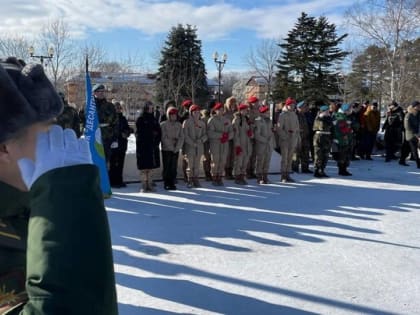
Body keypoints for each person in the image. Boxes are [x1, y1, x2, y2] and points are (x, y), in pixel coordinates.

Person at [0, 57, 117, 314]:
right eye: (46, 135)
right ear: (4, 148)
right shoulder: (53, 201)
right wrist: (67, 202)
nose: (60, 142)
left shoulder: (34, 204)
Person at [136, 101, 161, 193]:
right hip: (142, 146)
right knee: (143, 167)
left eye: (152, 108)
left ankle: (150, 184)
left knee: (150, 167)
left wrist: (156, 139)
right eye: (149, 108)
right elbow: (139, 133)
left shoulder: (154, 119)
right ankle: (144, 184)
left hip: (152, 146)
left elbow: (158, 131)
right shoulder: (140, 119)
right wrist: (150, 134)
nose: (151, 110)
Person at [91, 84, 119, 168]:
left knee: (105, 162)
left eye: (103, 91)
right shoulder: (89, 106)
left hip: (107, 137)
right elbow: (82, 120)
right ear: (94, 93)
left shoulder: (110, 106)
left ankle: (105, 180)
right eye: (99, 92)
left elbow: (116, 123)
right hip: (93, 137)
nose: (101, 93)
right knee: (93, 161)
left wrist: (115, 139)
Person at [207, 102, 233, 186]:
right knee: (215, 160)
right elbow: (210, 133)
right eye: (219, 110)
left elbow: (231, 131)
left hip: (224, 144)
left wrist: (228, 137)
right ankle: (214, 177)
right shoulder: (212, 120)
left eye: (222, 110)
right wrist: (221, 135)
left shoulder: (227, 120)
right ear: (216, 110)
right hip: (215, 144)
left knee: (223, 161)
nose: (221, 111)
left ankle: (220, 177)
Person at [109, 101, 133, 188]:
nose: (118, 109)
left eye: (119, 108)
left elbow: (128, 129)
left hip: (122, 145)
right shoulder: (110, 118)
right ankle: (112, 182)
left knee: (120, 164)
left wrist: (127, 132)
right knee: (113, 164)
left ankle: (119, 180)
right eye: (116, 108)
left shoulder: (123, 118)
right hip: (113, 145)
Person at [183, 104, 207, 188]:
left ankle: (195, 179)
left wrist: (201, 140)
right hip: (190, 147)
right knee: (190, 164)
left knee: (196, 165)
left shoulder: (202, 123)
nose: (196, 114)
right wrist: (192, 143)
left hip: (199, 147)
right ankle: (189, 179)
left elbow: (205, 135)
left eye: (198, 112)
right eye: (194, 112)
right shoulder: (187, 122)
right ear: (191, 113)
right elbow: (185, 135)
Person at [277, 97, 300, 183]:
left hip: (293, 139)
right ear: (287, 105)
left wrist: (297, 138)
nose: (293, 106)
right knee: (285, 158)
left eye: (293, 105)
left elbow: (297, 128)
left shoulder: (294, 114)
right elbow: (279, 128)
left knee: (290, 158)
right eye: (291, 105)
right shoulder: (282, 115)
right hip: (285, 140)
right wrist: (285, 136)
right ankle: (283, 175)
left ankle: (288, 174)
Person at [160, 106, 184, 190]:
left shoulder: (179, 125)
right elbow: (164, 137)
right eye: (171, 114)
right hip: (167, 149)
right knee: (167, 166)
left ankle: (172, 181)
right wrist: (171, 147)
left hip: (176, 149)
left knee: (174, 166)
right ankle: (166, 182)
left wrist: (177, 147)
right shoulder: (163, 124)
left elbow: (181, 137)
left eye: (175, 114)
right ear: (168, 115)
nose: (173, 116)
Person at [231, 103, 252, 185]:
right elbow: (236, 134)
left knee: (245, 161)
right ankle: (237, 177)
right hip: (240, 144)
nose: (246, 111)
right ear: (241, 110)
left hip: (247, 144)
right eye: (245, 110)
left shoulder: (246, 119)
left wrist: (251, 133)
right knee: (239, 161)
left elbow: (249, 131)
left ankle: (242, 176)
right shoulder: (236, 120)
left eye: (247, 110)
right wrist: (237, 145)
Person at [254, 105, 274, 184]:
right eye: (266, 112)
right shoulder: (258, 120)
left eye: (268, 112)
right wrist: (264, 140)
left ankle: (265, 176)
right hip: (261, 144)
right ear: (262, 113)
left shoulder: (269, 121)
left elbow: (271, 132)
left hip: (269, 144)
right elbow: (256, 134)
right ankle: (259, 177)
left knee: (267, 161)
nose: (268, 113)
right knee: (260, 161)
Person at [332, 103, 354, 176]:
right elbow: (339, 128)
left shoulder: (345, 116)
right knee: (342, 155)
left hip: (346, 138)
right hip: (342, 139)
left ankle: (344, 169)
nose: (350, 111)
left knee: (346, 155)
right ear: (345, 110)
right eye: (349, 109)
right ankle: (341, 170)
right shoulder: (339, 116)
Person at [313, 105, 333, 178]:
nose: (328, 112)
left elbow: (332, 128)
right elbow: (321, 127)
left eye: (328, 111)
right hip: (319, 138)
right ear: (323, 111)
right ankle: (316, 170)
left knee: (325, 155)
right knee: (318, 155)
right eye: (326, 111)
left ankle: (322, 170)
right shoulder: (318, 118)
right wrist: (322, 117)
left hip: (327, 138)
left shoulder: (329, 118)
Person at [292, 100, 312, 173]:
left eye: (305, 107)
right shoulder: (295, 115)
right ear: (299, 108)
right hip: (297, 136)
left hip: (305, 136)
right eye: (303, 107)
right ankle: (295, 168)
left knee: (305, 153)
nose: (305, 108)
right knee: (296, 153)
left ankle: (305, 168)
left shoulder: (304, 115)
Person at [400, 101, 420, 168]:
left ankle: (401, 160)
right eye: (418, 106)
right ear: (414, 107)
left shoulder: (417, 114)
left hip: (416, 134)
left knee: (407, 149)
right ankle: (418, 164)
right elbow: (407, 126)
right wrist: (415, 134)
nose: (419, 107)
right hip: (410, 135)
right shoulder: (408, 115)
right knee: (414, 150)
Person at [223, 96, 238, 180]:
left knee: (233, 155)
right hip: (227, 137)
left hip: (235, 137)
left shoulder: (236, 113)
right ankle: (226, 172)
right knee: (227, 155)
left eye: (234, 104)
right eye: (231, 104)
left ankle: (231, 171)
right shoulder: (224, 114)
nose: (232, 106)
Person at [200, 108, 213, 181]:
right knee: (209, 158)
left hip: (205, 140)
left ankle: (207, 173)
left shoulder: (202, 119)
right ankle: (208, 173)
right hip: (209, 140)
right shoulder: (210, 119)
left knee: (206, 158)